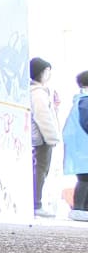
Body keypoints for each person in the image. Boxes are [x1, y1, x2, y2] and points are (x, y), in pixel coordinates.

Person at [29, 57, 61, 218]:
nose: (49, 74)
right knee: (40, 171)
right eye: (47, 71)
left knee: (40, 171)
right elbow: (43, 118)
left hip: (40, 138)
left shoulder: (38, 91)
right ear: (40, 72)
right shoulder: (38, 93)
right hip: (41, 139)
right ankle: (37, 204)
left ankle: (36, 203)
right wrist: (52, 138)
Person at [62, 71, 88, 222]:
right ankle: (79, 208)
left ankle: (83, 209)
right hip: (83, 149)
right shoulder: (85, 102)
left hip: (81, 148)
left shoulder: (81, 101)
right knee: (85, 179)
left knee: (85, 178)